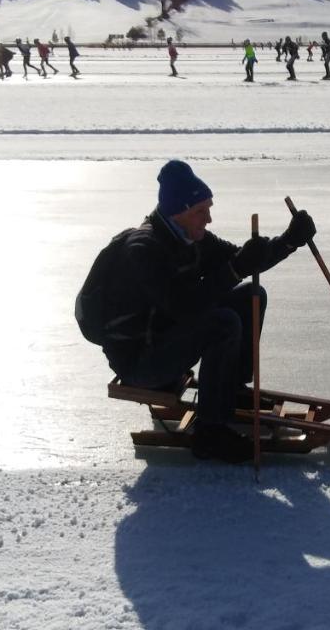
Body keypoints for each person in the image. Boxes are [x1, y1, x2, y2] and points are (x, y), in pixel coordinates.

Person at [87, 160, 317, 463]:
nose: (208, 218)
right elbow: (183, 306)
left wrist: (288, 241)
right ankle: (210, 432)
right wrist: (236, 268)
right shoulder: (144, 250)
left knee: (251, 296)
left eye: (208, 208)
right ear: (178, 211)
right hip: (142, 362)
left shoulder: (190, 239)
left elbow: (242, 259)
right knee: (222, 323)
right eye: (201, 210)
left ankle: (229, 391)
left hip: (166, 340)